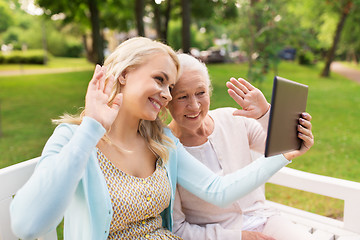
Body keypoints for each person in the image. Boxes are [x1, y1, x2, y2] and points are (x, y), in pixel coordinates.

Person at [10, 37, 312, 240]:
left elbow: (217, 190)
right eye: (160, 80)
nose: (166, 95)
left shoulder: (162, 143)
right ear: (125, 74)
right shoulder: (74, 138)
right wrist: (91, 127)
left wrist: (283, 155)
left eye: (169, 86)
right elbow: (28, 225)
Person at [167, 53, 315, 240]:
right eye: (182, 97)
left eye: (201, 93)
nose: (194, 105)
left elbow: (280, 146)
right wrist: (238, 236)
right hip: (221, 235)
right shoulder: (166, 149)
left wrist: (265, 114)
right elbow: (179, 230)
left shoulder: (232, 118)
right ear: (167, 99)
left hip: (265, 219)